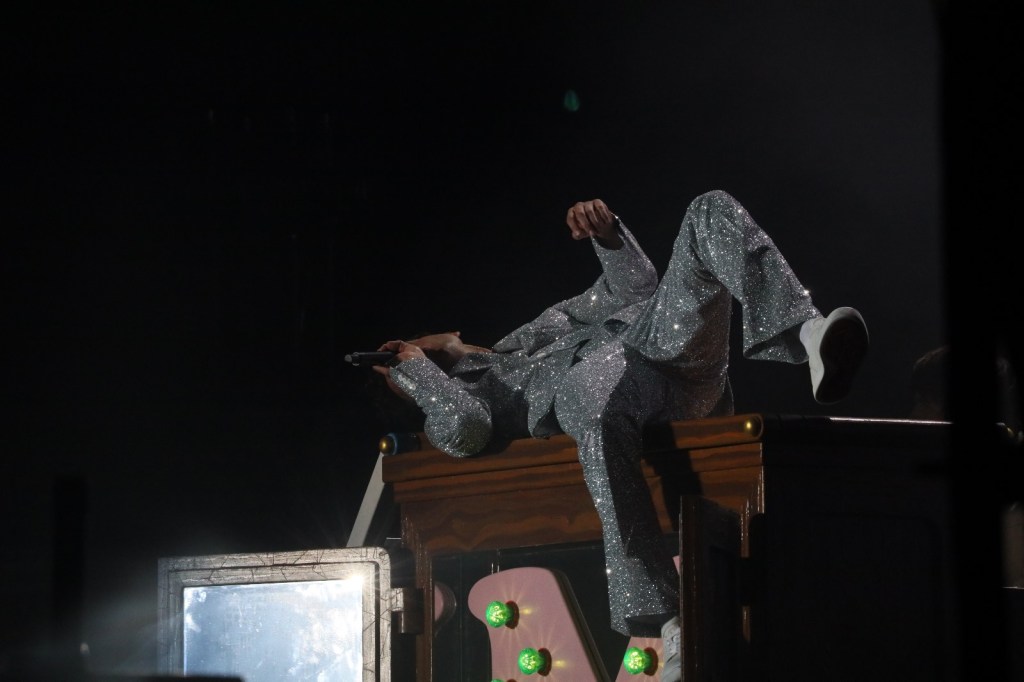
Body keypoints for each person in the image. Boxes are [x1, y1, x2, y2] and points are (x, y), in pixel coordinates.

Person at [372, 190, 869, 678]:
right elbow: (464, 430)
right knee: (582, 394)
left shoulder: (524, 340)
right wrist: (420, 374)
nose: (414, 349)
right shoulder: (467, 400)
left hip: (661, 346)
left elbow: (631, 289)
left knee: (708, 209)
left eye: (412, 344)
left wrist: (607, 236)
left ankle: (809, 335)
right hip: (609, 403)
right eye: (408, 359)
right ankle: (672, 623)